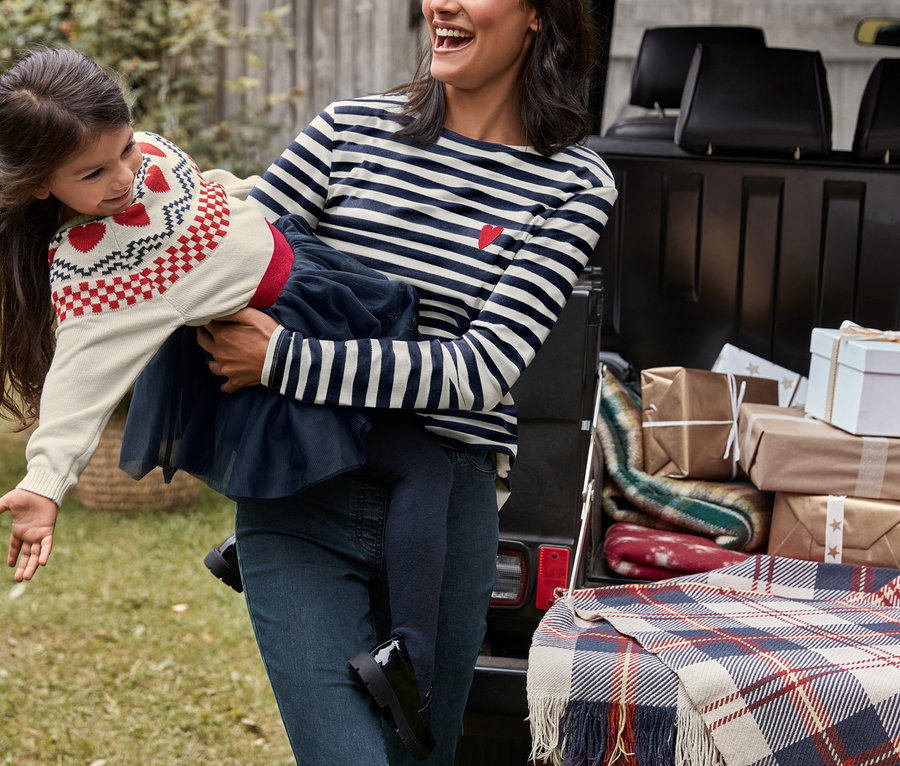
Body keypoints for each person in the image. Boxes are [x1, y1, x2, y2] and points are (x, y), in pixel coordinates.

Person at [0, 47, 456, 759]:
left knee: (379, 432)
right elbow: (80, 374)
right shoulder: (96, 264)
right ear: (39, 186)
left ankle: (255, 544)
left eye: (125, 148)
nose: (123, 177)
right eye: (92, 174)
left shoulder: (148, 155)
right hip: (290, 329)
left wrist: (246, 197)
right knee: (424, 466)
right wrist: (45, 482)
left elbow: (205, 192)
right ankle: (411, 659)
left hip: (304, 282)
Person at [195, 0, 618, 763]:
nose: (441, 4)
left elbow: (481, 368)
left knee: (425, 751)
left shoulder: (575, 182)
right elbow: (235, 261)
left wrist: (286, 358)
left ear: (537, 14)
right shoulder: (345, 131)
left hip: (446, 509)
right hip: (302, 492)